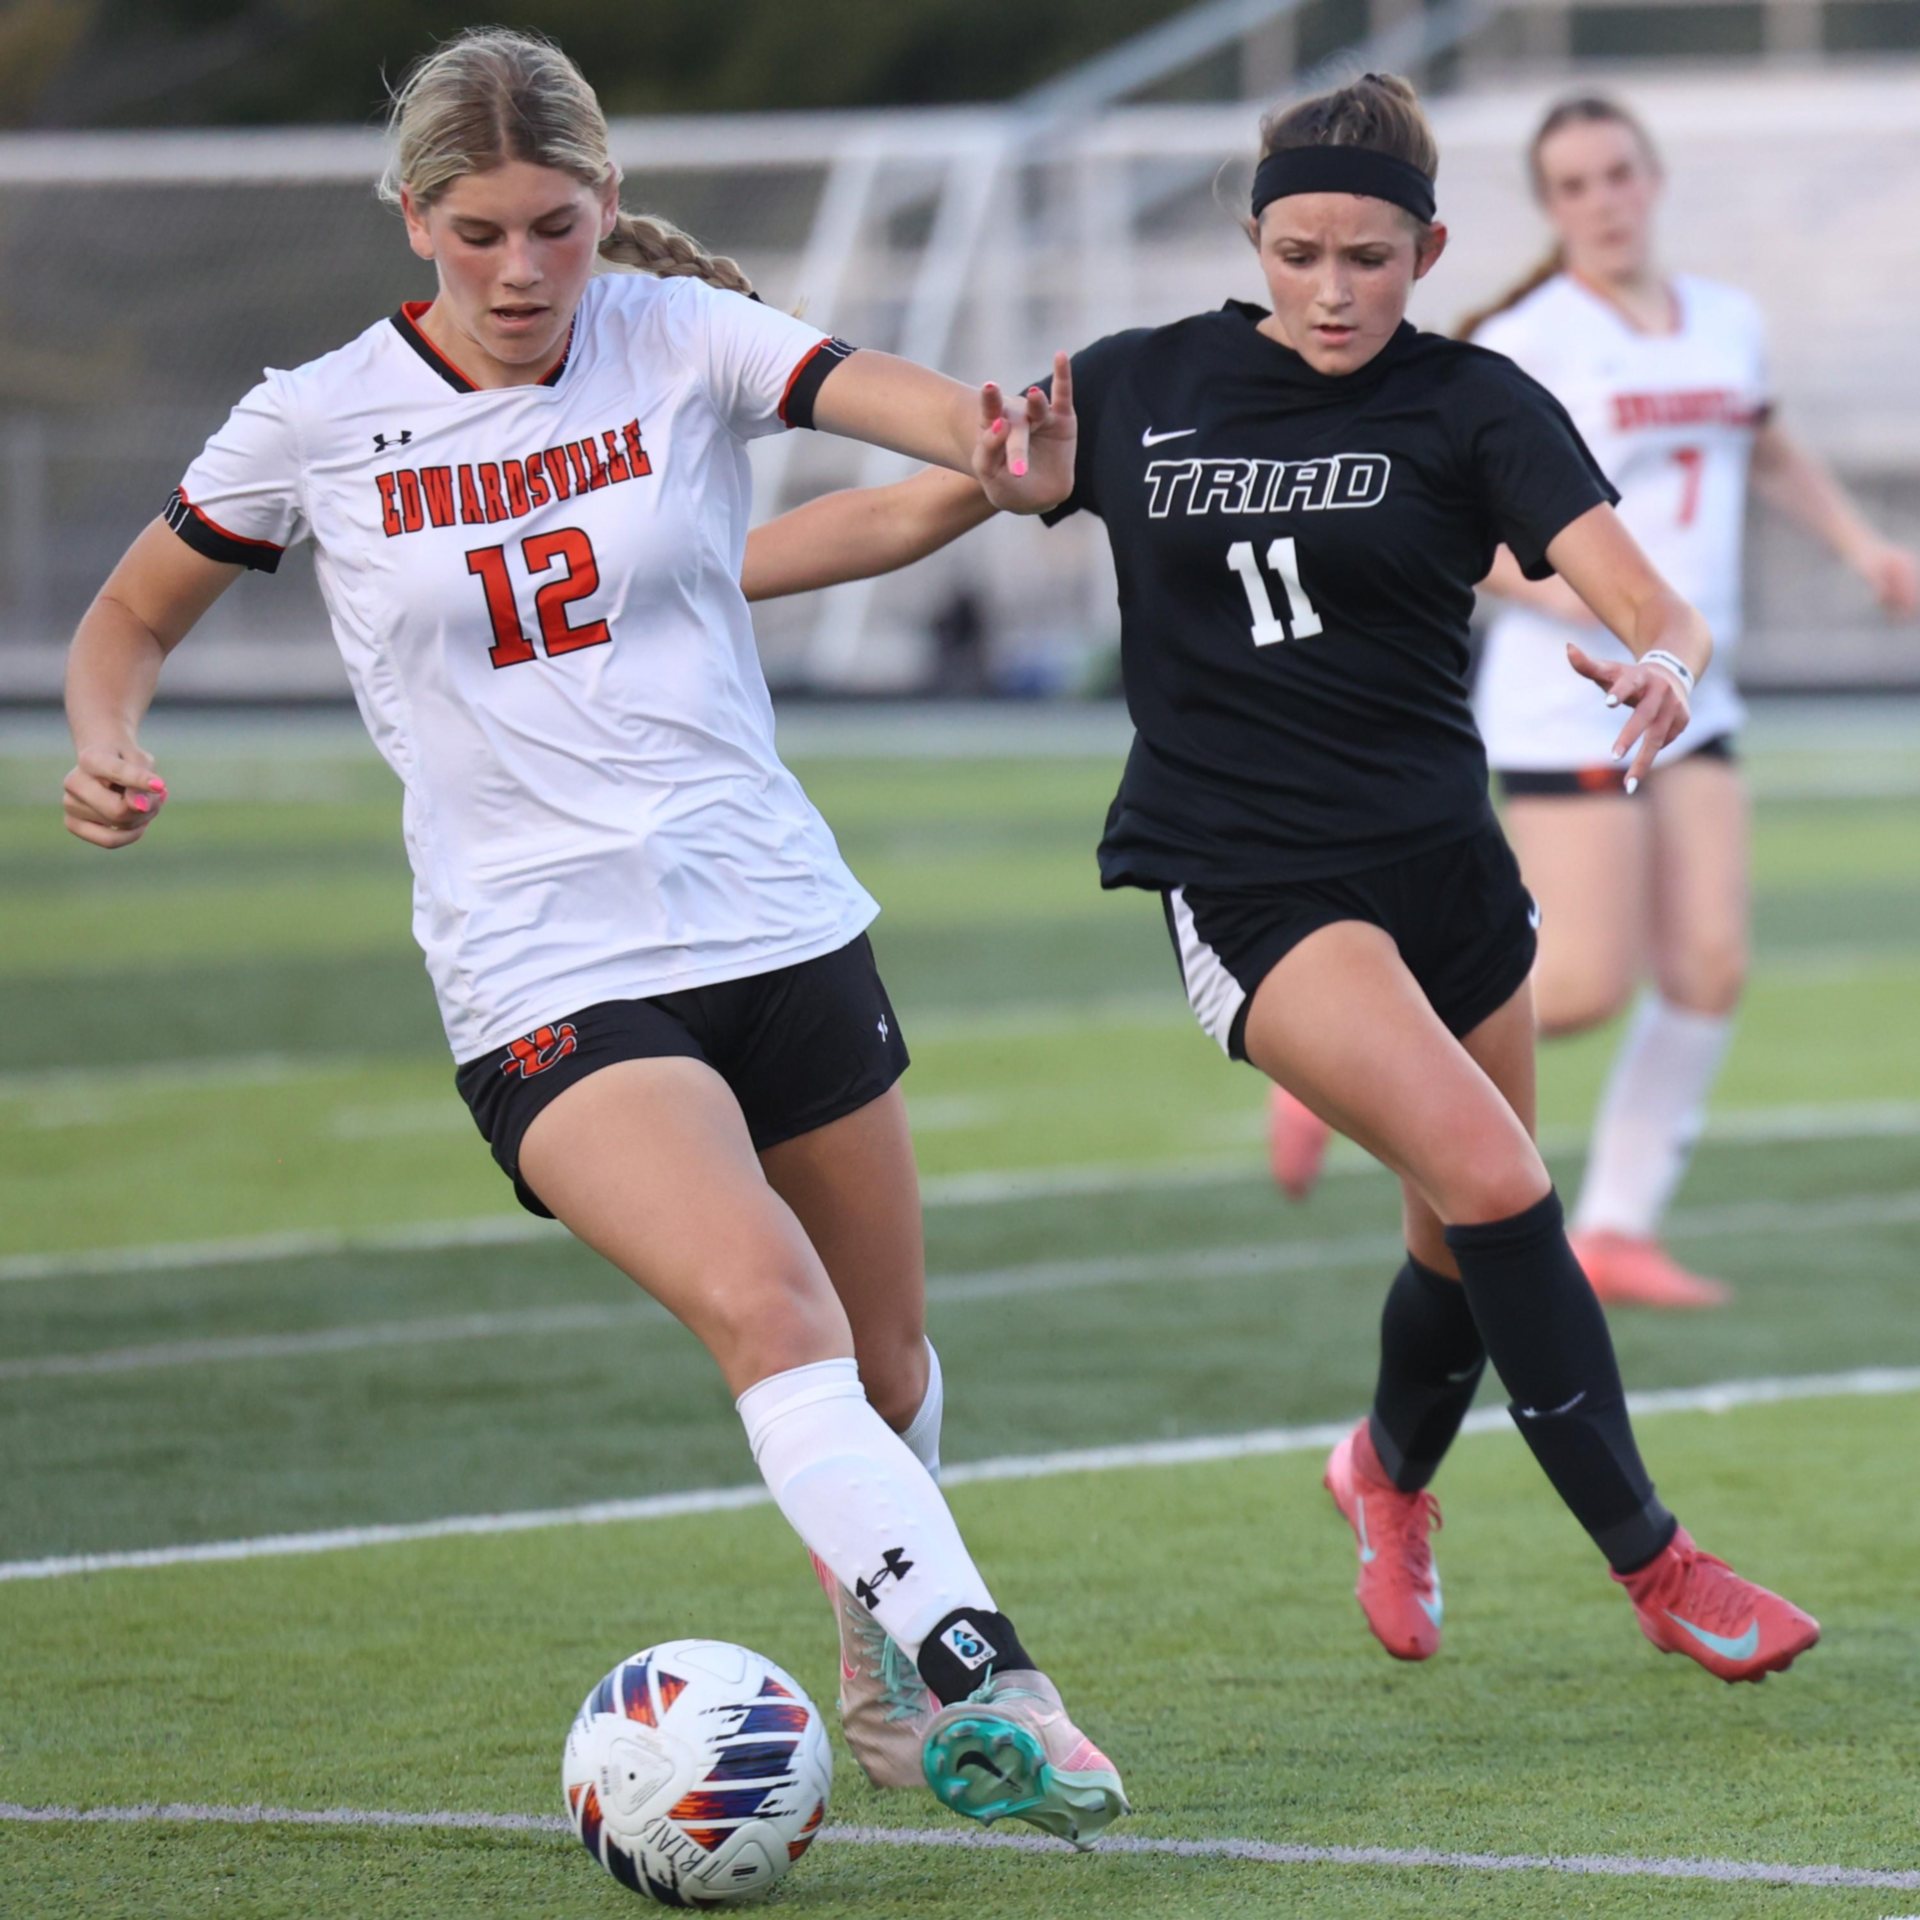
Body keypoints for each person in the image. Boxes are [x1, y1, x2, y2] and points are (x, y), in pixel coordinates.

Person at [59, 27, 1126, 1850]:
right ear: (413, 220)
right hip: (542, 966)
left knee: (883, 1366)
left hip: (775, 916)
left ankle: (877, 1672)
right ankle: (979, 1665)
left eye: (555, 226)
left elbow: (904, 405)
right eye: (475, 232)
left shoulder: (684, 336)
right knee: (764, 1306)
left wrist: (993, 439)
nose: (519, 271)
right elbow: (128, 616)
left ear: (608, 206)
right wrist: (105, 731)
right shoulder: (312, 418)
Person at [741, 73, 1819, 1683]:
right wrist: (658, 578)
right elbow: (911, 507)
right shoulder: (1135, 382)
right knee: (1511, 1185)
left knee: (1460, 1240)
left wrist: (1666, 664)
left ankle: (1383, 1476)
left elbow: (1650, 597)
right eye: (1300, 251)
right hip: (1248, 873)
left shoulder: (1477, 400)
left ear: (1431, 247)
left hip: (1450, 870)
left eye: (1371, 259)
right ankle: (1659, 1567)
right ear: (1254, 238)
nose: (1332, 288)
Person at [1459, 93, 1920, 1307]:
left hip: (1693, 683)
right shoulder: (1526, 337)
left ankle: (1615, 1227)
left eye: (1619, 174)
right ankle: (1355, 1047)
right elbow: (1446, 518)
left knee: (1710, 964)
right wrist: (1552, 593)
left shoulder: (1727, 319)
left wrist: (1861, 546)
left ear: (1652, 181)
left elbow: (1764, 446)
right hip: (1571, 695)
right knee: (1581, 984)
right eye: (1574, 186)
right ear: (1552, 210)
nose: (1603, 201)